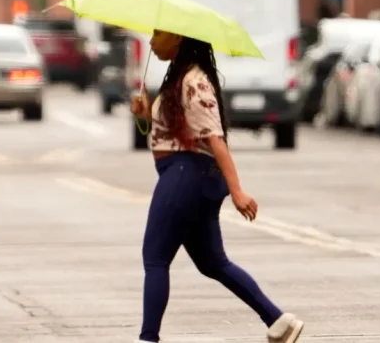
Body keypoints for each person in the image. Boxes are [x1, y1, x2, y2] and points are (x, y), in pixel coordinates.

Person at [130, 30, 304, 343]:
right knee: (213, 263)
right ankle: (279, 322)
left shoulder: (193, 80)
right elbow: (176, 127)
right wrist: (145, 112)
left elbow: (215, 138)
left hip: (185, 174)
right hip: (192, 177)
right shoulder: (180, 77)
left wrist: (238, 191)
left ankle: (148, 338)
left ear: (179, 39)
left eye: (159, 34)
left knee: (155, 258)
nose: (153, 41)